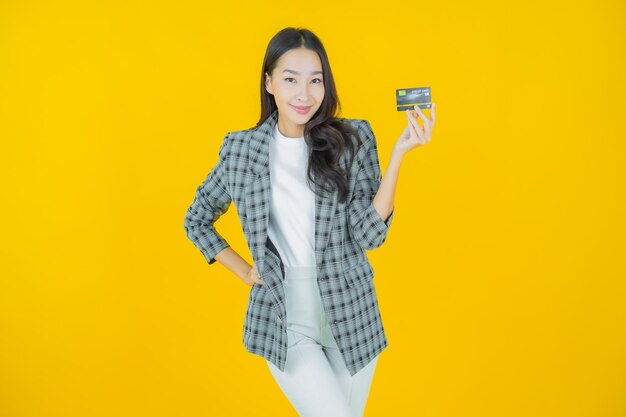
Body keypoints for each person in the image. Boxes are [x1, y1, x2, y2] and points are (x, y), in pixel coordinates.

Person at [184, 27, 436, 417]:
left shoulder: (352, 139)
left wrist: (400, 154)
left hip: (351, 312)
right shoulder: (240, 149)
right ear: (269, 83)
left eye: (315, 80)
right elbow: (197, 219)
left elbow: (370, 235)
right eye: (290, 80)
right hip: (285, 317)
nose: (305, 94)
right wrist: (245, 270)